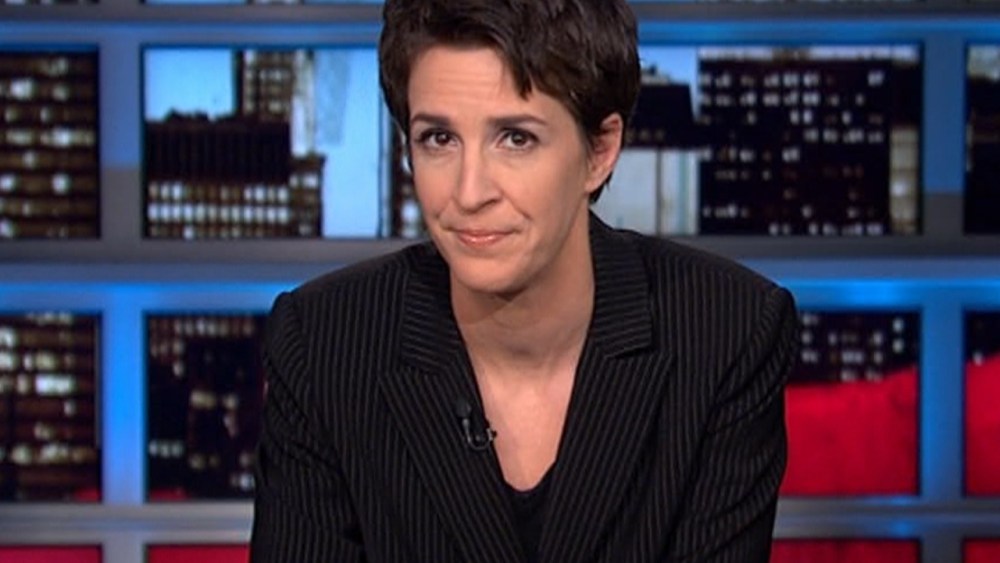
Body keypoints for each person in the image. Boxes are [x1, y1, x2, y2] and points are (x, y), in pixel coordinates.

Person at [250, 0, 799, 561]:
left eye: (515, 138)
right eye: (438, 139)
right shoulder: (324, 345)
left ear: (600, 151)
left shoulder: (724, 334)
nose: (469, 193)